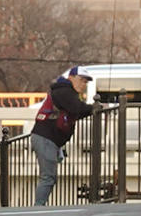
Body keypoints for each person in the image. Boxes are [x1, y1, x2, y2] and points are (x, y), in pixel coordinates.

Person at [30, 65, 95, 206]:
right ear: (71, 78)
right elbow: (77, 108)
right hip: (46, 138)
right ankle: (38, 208)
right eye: (81, 80)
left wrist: (91, 109)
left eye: (86, 82)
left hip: (48, 139)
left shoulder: (65, 91)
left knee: (49, 177)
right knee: (48, 177)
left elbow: (78, 110)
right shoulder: (64, 92)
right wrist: (95, 108)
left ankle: (39, 206)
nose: (83, 84)